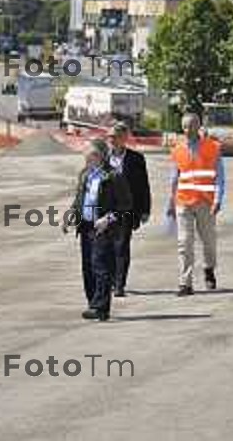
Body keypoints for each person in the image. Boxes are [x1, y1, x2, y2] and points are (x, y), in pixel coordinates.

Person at [63, 139, 132, 321]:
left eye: (91, 154)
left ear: (101, 156)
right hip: (85, 226)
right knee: (88, 267)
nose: (87, 158)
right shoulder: (85, 175)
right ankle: (93, 303)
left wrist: (108, 219)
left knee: (100, 266)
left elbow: (126, 205)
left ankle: (100, 306)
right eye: (86, 155)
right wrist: (71, 215)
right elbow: (79, 200)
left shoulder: (113, 176)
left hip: (103, 228)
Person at [167, 113, 225, 296]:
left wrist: (218, 199)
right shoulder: (177, 149)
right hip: (183, 201)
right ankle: (185, 283)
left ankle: (209, 268)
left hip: (205, 201)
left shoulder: (213, 147)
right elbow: (174, 178)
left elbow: (220, 177)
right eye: (185, 127)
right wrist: (170, 202)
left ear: (198, 126)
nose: (188, 130)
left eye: (191, 126)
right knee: (184, 242)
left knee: (208, 241)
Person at [107, 122, 152, 297]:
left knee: (122, 246)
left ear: (124, 138)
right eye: (109, 137)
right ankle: (109, 280)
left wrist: (145, 210)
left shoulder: (136, 159)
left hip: (127, 209)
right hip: (106, 210)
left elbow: (143, 186)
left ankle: (119, 284)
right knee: (107, 246)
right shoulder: (103, 157)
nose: (111, 140)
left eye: (114, 136)